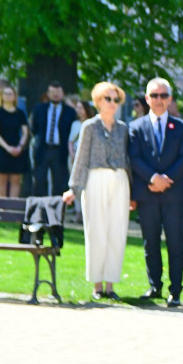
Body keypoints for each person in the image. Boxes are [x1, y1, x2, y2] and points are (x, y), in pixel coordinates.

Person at [62, 82, 130, 301]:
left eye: (116, 99)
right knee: (96, 230)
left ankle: (110, 285)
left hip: (119, 180)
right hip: (95, 179)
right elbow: (81, 159)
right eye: (108, 99)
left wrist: (134, 193)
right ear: (98, 101)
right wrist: (74, 188)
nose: (112, 103)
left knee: (116, 232)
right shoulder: (89, 127)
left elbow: (127, 161)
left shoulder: (123, 128)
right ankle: (97, 285)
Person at [128, 77, 183, 307]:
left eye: (163, 95)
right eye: (154, 95)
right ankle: (155, 286)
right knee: (150, 242)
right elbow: (134, 158)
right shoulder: (135, 127)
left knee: (176, 243)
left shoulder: (182, 127)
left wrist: (166, 179)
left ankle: (175, 291)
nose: (158, 100)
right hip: (147, 194)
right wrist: (154, 178)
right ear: (147, 99)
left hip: (173, 195)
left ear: (170, 99)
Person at [31, 81, 77, 197]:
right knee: (40, 181)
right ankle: (41, 210)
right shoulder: (40, 108)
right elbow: (34, 128)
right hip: (43, 149)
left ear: (63, 94)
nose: (55, 94)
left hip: (60, 151)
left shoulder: (70, 112)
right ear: (48, 93)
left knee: (60, 183)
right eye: (52, 92)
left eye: (58, 92)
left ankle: (57, 211)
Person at [0, 85, 29, 198]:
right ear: (1, 96)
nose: (8, 96)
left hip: (17, 149)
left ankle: (12, 208)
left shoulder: (20, 113)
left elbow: (25, 132)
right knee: (2, 180)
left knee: (16, 180)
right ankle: (2, 210)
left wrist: (20, 146)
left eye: (11, 93)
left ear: (15, 96)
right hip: (1, 150)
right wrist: (7, 148)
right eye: (5, 93)